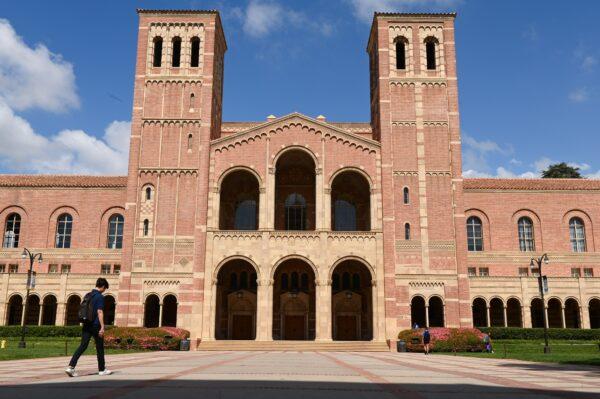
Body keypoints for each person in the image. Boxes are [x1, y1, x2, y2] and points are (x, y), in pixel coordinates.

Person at [65, 278, 113, 377]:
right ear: (103, 287)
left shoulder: (89, 295)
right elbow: (100, 312)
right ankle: (102, 369)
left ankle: (71, 367)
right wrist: (102, 327)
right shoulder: (99, 297)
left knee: (83, 345)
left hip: (86, 323)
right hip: (95, 325)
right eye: (105, 289)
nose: (104, 290)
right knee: (100, 347)